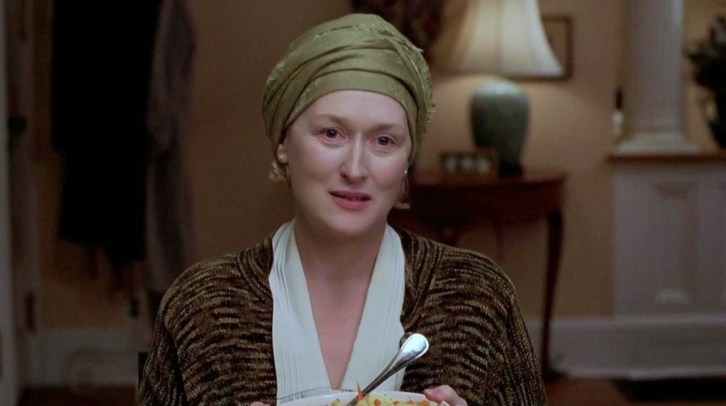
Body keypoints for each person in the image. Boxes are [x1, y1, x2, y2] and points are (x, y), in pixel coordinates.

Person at [138, 13, 545, 406]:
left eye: (383, 141)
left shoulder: (477, 297)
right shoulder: (202, 306)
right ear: (283, 144)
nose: (355, 169)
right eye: (331, 133)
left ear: (407, 160)